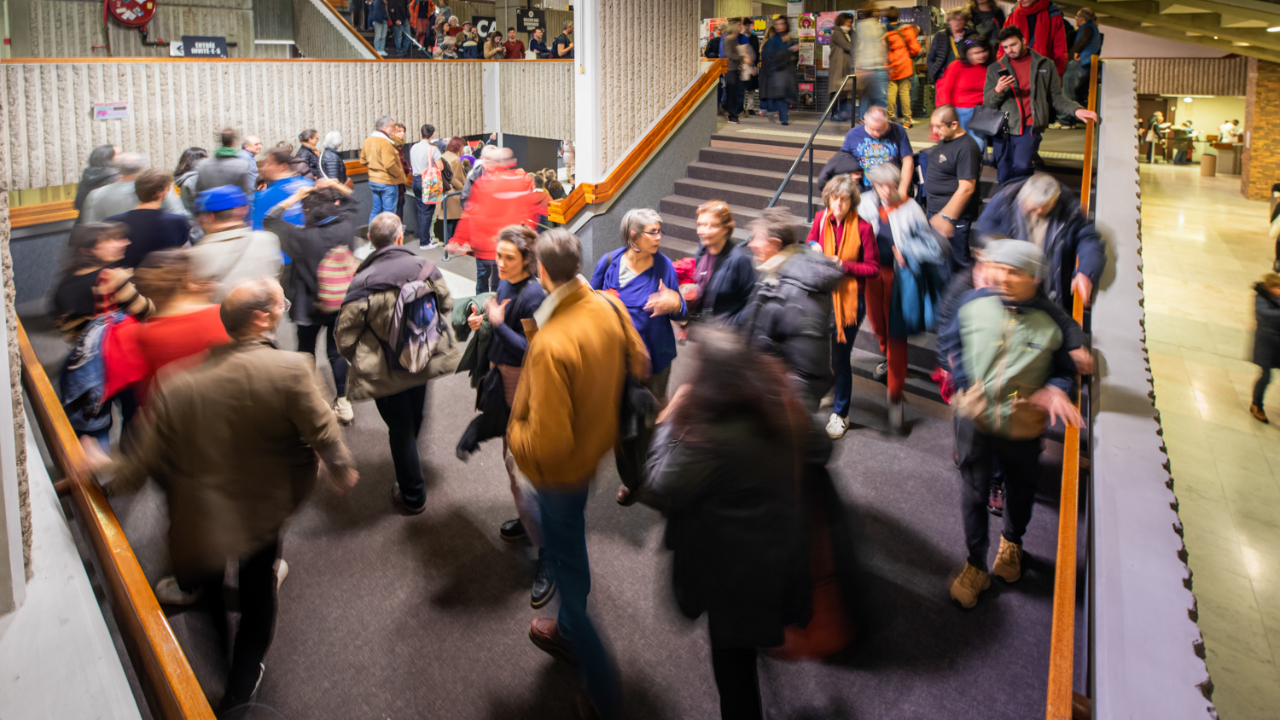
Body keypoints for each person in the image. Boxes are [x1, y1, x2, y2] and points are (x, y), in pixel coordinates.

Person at [84, 277, 358, 713]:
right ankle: (242, 683)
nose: (284, 308)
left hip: (200, 515)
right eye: (278, 303)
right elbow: (323, 430)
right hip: (264, 512)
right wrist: (341, 467)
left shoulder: (178, 384)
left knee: (210, 600)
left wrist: (100, 469)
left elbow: (142, 462)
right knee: (257, 595)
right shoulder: (291, 369)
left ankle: (220, 663)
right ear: (261, 318)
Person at [509, 228, 648, 720]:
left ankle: (603, 694)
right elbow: (642, 359)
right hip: (594, 455)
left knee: (567, 567)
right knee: (572, 547)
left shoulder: (551, 343)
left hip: (561, 472)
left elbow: (546, 442)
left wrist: (513, 436)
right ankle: (567, 628)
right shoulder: (608, 305)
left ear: (542, 272)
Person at [636, 327, 807, 720]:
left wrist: (669, 422)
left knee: (734, 673)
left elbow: (659, 483)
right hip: (774, 551)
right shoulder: (774, 409)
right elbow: (818, 446)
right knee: (744, 649)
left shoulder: (710, 438)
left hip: (734, 576)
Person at [939, 239, 1083, 609]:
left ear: (1035, 278)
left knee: (1020, 491)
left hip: (1023, 427)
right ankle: (975, 565)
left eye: (1013, 271)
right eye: (998, 269)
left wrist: (1056, 389)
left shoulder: (1052, 321)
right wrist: (964, 382)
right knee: (973, 493)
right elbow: (951, 343)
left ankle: (1013, 544)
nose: (1001, 277)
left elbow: (1066, 370)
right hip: (976, 422)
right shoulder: (972, 304)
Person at [335, 212, 461, 514]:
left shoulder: (362, 281)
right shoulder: (426, 267)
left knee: (399, 429)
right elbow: (445, 304)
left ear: (370, 241)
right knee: (414, 418)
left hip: (384, 371)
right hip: (423, 359)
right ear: (401, 237)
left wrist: (362, 358)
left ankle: (413, 496)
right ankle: (411, 464)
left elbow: (345, 335)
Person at [465, 225, 552, 607]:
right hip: (504, 380)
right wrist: (483, 323)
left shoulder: (533, 295)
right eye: (498, 256)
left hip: (525, 385)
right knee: (512, 458)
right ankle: (530, 521)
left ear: (528, 261)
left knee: (527, 466)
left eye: (508, 258)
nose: (499, 264)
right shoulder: (506, 285)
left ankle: (549, 551)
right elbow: (501, 326)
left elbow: (532, 351)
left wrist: (497, 324)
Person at [857, 163, 947, 432]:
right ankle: (889, 361)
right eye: (880, 185)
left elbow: (930, 247)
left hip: (900, 279)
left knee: (896, 335)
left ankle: (895, 395)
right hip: (872, 276)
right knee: (878, 326)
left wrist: (907, 252)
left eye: (891, 185)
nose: (885, 190)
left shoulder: (911, 208)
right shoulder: (864, 203)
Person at [265, 179, 360, 425]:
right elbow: (353, 201)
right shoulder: (346, 227)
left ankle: (308, 402)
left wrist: (295, 197)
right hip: (341, 302)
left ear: (307, 211)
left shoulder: (301, 237)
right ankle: (344, 404)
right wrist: (336, 186)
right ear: (334, 206)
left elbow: (270, 220)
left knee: (305, 351)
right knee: (337, 353)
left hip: (309, 305)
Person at [743, 207, 844, 410]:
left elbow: (809, 378)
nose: (751, 243)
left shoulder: (800, 296)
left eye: (756, 238)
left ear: (774, 244)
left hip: (781, 413)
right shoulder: (773, 271)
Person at [808, 175, 880, 439]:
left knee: (840, 357)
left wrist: (843, 265)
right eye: (834, 198)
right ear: (828, 198)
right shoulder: (819, 219)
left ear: (852, 201)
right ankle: (830, 389)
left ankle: (842, 413)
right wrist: (813, 248)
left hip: (850, 299)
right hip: (822, 295)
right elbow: (810, 244)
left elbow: (873, 269)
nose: (838, 203)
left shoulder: (863, 228)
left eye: (844, 198)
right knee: (818, 349)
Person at [590, 209, 686, 402]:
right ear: (634, 236)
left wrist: (675, 303)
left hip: (655, 358)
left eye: (660, 231)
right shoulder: (609, 262)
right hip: (619, 356)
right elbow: (590, 304)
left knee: (653, 412)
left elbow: (681, 315)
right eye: (653, 232)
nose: (659, 237)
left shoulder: (664, 266)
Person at [984, 27, 1098, 184]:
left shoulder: (1045, 64)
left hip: (1030, 126)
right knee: (1004, 171)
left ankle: (1024, 203)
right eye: (1005, 47)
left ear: (1023, 41)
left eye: (1013, 44)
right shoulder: (995, 68)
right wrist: (998, 90)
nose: (1009, 50)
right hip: (1003, 128)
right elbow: (988, 103)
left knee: (1022, 166)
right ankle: (1009, 204)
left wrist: (1076, 110)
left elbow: (1056, 97)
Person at [975, 172, 1105, 310]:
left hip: (1051, 289)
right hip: (1012, 284)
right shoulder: (1002, 203)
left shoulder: (1070, 210)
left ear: (1057, 197)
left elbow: (1089, 239)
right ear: (1021, 196)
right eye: (1033, 207)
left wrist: (1085, 271)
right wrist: (987, 262)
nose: (1039, 211)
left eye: (1046, 206)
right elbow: (986, 235)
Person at [121, 250, 230, 406]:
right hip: (221, 405)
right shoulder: (219, 315)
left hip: (173, 412)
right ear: (186, 280)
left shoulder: (143, 334)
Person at [52, 222, 151, 340]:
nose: (124, 243)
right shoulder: (112, 278)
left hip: (86, 352)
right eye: (110, 240)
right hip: (116, 346)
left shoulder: (64, 284)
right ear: (88, 249)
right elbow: (147, 312)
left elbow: (65, 328)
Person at [190, 186, 283, 301]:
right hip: (272, 317)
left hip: (224, 319)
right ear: (242, 211)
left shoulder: (195, 256)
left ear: (209, 217)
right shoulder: (269, 240)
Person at [925, 106, 983, 272]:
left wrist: (947, 217)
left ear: (954, 124)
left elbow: (967, 188)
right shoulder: (946, 139)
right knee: (941, 265)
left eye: (939, 126)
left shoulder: (967, 147)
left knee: (957, 265)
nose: (935, 131)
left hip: (953, 218)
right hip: (937, 212)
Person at [682, 200, 757, 326]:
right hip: (702, 331)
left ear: (725, 229)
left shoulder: (739, 260)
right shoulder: (704, 249)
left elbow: (752, 306)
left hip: (724, 337)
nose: (702, 231)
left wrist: (727, 327)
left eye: (711, 226)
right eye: (700, 224)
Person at [106, 169, 191, 269]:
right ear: (161, 193)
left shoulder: (112, 222)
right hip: (163, 281)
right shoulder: (177, 221)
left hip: (126, 281)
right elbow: (185, 254)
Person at [80, 153, 187, 223]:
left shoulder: (96, 194)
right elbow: (179, 215)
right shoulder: (158, 187)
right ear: (141, 167)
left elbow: (89, 227)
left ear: (118, 169)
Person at [840, 105, 914, 198]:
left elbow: (907, 160)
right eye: (872, 129)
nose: (876, 133)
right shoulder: (853, 134)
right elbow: (843, 158)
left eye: (880, 129)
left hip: (890, 190)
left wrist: (902, 190)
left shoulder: (898, 131)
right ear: (864, 119)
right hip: (863, 191)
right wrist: (851, 173)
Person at [936, 39, 994, 156]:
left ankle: (972, 170)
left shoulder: (991, 68)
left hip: (980, 113)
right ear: (968, 54)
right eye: (976, 53)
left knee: (977, 146)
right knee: (955, 147)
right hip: (958, 114)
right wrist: (945, 115)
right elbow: (945, 90)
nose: (982, 55)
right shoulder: (957, 66)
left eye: (984, 51)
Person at [251, 147, 314, 231]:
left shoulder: (262, 197)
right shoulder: (311, 185)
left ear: (283, 166)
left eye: (270, 164)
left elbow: (258, 229)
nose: (265, 168)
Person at [1002, 0, 1069, 76]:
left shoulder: (1053, 15)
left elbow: (1060, 51)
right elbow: (1002, 47)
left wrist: (1057, 75)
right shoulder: (1012, 15)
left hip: (1042, 76)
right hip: (1015, 75)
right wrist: (1003, 71)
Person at [361, 116, 407, 225]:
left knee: (376, 210)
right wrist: (400, 175)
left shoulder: (368, 140)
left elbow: (363, 160)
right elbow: (389, 165)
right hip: (387, 182)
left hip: (373, 181)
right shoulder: (386, 143)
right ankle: (387, 240)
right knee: (389, 213)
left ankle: (372, 236)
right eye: (392, 126)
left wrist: (375, 165)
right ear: (385, 127)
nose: (393, 129)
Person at [883, 8, 921, 128]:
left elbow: (883, 54)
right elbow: (916, 49)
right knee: (905, 94)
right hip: (904, 67)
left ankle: (889, 118)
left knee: (891, 94)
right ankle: (907, 120)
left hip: (891, 69)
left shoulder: (885, 35)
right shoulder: (906, 31)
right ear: (897, 17)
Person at [1250, 273, 1280, 423]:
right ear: (1269, 288)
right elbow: (1264, 314)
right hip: (1266, 344)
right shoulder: (1261, 298)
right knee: (1266, 376)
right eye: (1277, 288)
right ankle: (1256, 404)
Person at [410, 123, 445, 248]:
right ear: (432, 136)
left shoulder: (413, 147)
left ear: (421, 134)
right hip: (428, 182)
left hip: (415, 180)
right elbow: (441, 166)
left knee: (421, 210)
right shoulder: (432, 149)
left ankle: (423, 236)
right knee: (427, 212)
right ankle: (425, 242)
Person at [760, 17, 799, 126]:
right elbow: (770, 55)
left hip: (788, 71)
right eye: (778, 24)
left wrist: (794, 51)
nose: (780, 26)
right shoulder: (774, 39)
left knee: (786, 94)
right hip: (777, 71)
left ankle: (782, 115)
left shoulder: (789, 38)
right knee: (781, 94)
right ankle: (784, 118)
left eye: (782, 23)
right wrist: (790, 50)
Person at [197, 129, 255, 196]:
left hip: (209, 205)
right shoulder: (243, 165)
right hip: (234, 205)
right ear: (232, 141)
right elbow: (247, 193)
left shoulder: (203, 164)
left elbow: (198, 193)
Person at [855, 12, 889, 122]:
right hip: (877, 66)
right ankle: (881, 122)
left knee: (866, 96)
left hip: (866, 67)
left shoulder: (861, 27)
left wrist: (859, 67)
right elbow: (881, 47)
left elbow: (859, 48)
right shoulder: (879, 28)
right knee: (881, 99)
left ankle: (863, 118)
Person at [1066, 8, 1102, 108]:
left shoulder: (1087, 28)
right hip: (1087, 64)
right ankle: (1070, 120)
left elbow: (1084, 40)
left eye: (1076, 17)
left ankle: (1065, 121)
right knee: (1076, 91)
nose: (1076, 19)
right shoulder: (1094, 28)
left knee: (1068, 89)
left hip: (1080, 63)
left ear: (1081, 18)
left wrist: (1075, 52)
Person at [927, 8, 973, 84]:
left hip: (964, 78)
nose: (957, 22)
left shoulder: (971, 36)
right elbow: (931, 57)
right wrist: (934, 74)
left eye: (960, 19)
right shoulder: (940, 36)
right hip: (943, 77)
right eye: (954, 19)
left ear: (965, 22)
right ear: (949, 21)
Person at [74, 145, 119, 213]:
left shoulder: (87, 176)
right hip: (108, 221)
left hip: (85, 221)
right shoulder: (116, 178)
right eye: (119, 154)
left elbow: (78, 204)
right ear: (108, 159)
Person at [439, 137, 467, 242]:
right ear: (459, 147)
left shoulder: (444, 155)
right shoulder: (455, 159)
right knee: (453, 220)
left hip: (445, 192)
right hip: (453, 194)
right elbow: (453, 178)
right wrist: (463, 188)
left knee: (447, 221)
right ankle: (451, 243)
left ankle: (448, 243)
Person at [828, 13, 855, 122]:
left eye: (850, 22)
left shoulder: (848, 33)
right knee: (835, 90)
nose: (849, 24)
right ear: (841, 21)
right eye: (847, 22)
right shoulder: (838, 33)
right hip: (837, 66)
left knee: (843, 90)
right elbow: (848, 46)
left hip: (845, 66)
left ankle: (842, 114)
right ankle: (834, 114)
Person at [721, 21, 746, 124]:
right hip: (730, 69)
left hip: (735, 69)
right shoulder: (728, 40)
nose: (741, 28)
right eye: (739, 26)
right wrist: (742, 57)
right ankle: (732, 116)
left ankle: (733, 114)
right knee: (731, 93)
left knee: (734, 93)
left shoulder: (733, 40)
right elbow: (730, 54)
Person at [173, 147, 209, 217]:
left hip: (190, 219)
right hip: (198, 221)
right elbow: (203, 203)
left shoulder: (184, 177)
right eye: (205, 158)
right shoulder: (193, 179)